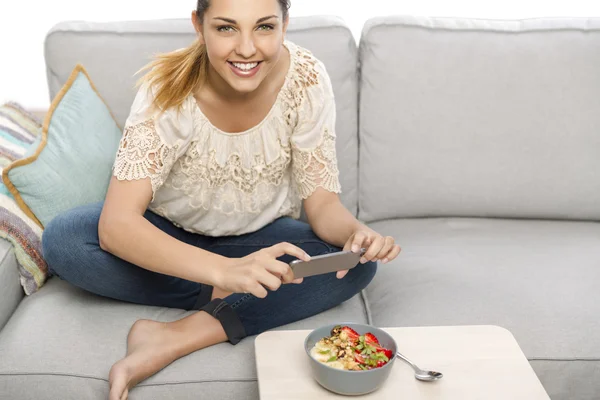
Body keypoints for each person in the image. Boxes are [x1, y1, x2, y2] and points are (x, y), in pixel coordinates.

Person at [42, 0, 401, 398]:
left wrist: (358, 233)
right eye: (226, 28)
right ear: (199, 26)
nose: (246, 49)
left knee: (355, 267)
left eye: (264, 27)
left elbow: (322, 206)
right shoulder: (167, 90)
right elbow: (116, 226)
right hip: (169, 237)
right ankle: (232, 294)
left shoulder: (307, 79)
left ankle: (176, 335)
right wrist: (224, 273)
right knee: (66, 238)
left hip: (260, 241)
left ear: (286, 24)